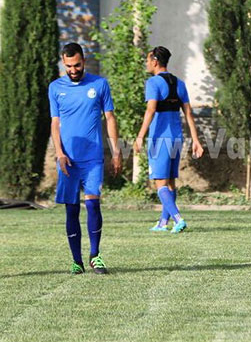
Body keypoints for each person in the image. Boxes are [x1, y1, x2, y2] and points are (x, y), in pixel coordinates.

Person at [49, 42, 122, 275]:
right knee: (71, 210)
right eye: (68, 65)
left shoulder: (99, 84)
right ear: (64, 63)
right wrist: (59, 153)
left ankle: (95, 255)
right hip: (68, 160)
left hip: (93, 158)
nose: (73, 69)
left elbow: (109, 118)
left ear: (84, 61)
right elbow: (55, 123)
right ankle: (76, 261)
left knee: (92, 204)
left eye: (77, 65)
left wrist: (116, 150)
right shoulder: (55, 88)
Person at [134, 46, 204, 233]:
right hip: (177, 138)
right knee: (170, 182)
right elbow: (188, 113)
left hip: (160, 139)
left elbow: (150, 110)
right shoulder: (179, 83)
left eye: (148, 60)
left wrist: (140, 136)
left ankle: (178, 219)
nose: (147, 64)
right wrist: (196, 140)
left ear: (155, 61)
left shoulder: (153, 83)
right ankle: (163, 223)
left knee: (160, 183)